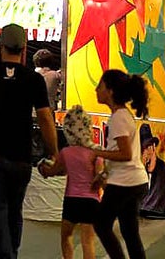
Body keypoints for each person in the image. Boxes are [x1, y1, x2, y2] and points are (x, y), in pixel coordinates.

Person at [0, 24, 58, 259]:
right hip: (20, 157)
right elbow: (45, 118)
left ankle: (6, 254)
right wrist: (55, 153)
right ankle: (12, 253)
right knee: (14, 210)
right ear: (24, 48)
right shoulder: (32, 79)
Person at [92, 70, 151, 259]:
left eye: (100, 86)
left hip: (124, 184)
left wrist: (96, 152)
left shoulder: (118, 117)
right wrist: (103, 175)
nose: (96, 90)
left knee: (101, 224)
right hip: (135, 181)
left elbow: (125, 154)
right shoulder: (123, 115)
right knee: (129, 232)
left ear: (110, 91)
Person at [39, 105, 101, 259]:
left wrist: (44, 169)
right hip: (91, 201)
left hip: (72, 200)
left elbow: (54, 171)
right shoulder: (96, 152)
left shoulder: (66, 153)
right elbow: (100, 176)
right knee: (88, 242)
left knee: (66, 236)